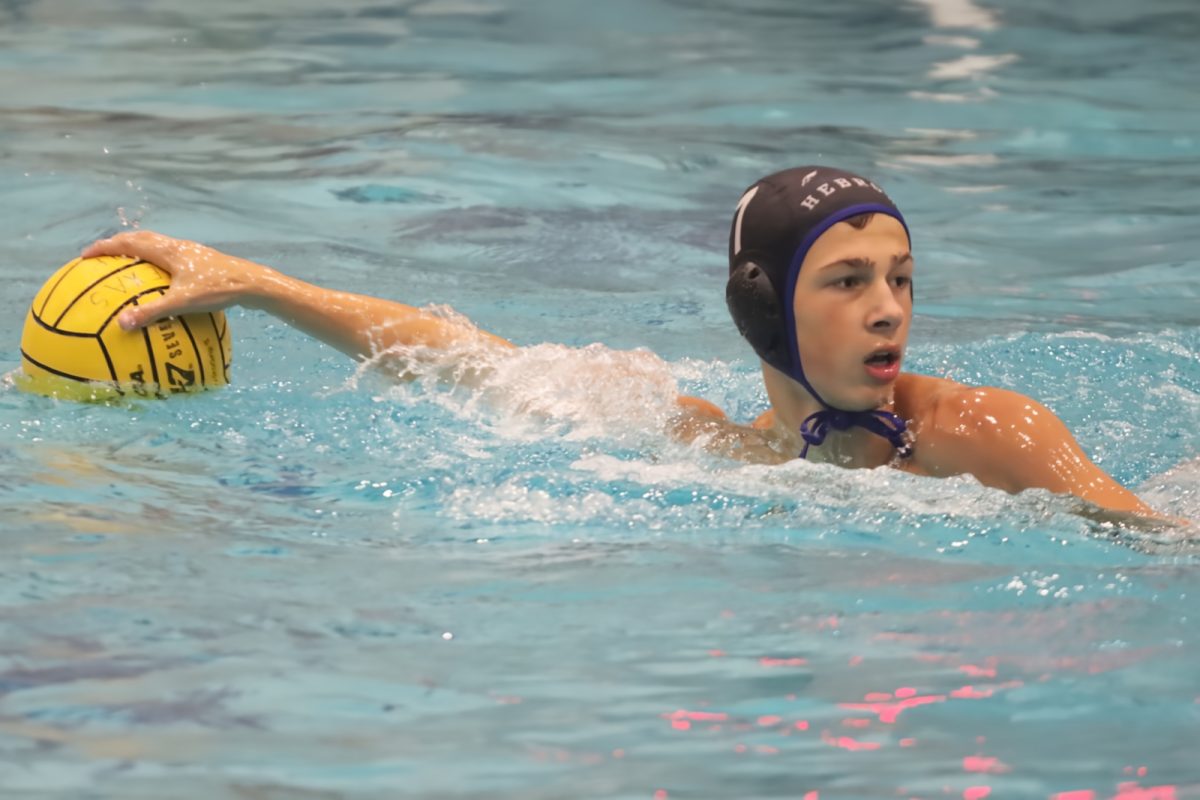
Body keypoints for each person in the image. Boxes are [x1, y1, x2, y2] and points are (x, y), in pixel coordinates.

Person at [81, 165, 1169, 523]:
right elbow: (465, 356)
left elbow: (1154, 539)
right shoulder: (705, 444)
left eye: (900, 278)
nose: (888, 307)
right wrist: (260, 287)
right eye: (847, 280)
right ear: (762, 303)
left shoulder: (986, 432)